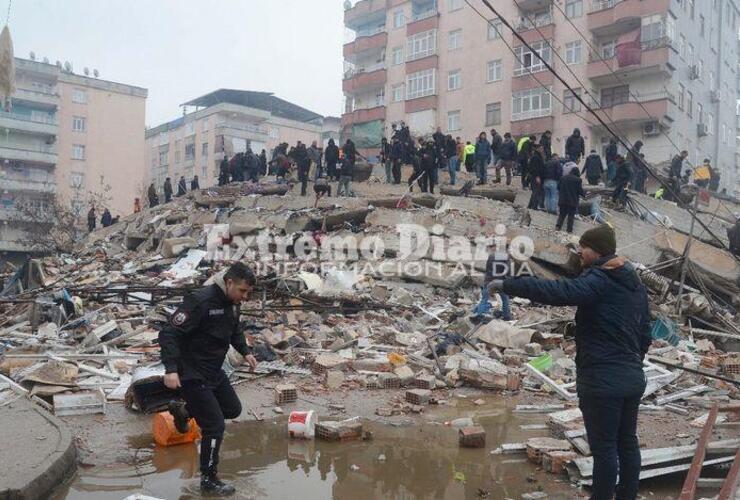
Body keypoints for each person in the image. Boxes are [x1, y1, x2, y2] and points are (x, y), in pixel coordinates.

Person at [489, 224, 650, 500]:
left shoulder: (599, 280)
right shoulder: (635, 286)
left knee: (604, 449)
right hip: (632, 376)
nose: (579, 254)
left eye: (583, 248)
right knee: (627, 443)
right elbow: (645, 333)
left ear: (595, 250)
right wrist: (632, 361)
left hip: (602, 379)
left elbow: (559, 292)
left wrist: (509, 284)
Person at [160, 263, 259, 495]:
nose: (245, 297)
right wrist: (171, 369)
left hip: (214, 370)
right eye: (242, 291)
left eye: (248, 293)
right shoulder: (201, 301)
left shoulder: (233, 305)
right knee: (214, 426)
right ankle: (209, 479)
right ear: (229, 282)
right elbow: (169, 333)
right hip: (192, 372)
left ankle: (184, 410)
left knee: (232, 409)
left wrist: (246, 352)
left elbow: (234, 330)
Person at [482, 243, 511, 321]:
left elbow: (487, 269)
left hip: (489, 280)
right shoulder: (506, 257)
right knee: (505, 299)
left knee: (485, 297)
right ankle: (506, 316)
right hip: (500, 281)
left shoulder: (491, 256)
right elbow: (507, 271)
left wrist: (487, 279)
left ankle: (481, 313)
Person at [557, 165, 584, 233]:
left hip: (562, 200)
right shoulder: (578, 180)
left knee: (562, 215)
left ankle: (558, 226)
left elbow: (558, 187)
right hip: (572, 201)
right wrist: (584, 195)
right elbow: (580, 191)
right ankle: (569, 230)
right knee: (571, 217)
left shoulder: (563, 178)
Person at [526, 144, 545, 210]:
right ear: (538, 149)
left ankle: (530, 205)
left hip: (537, 176)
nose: (542, 150)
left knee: (535, 191)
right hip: (536, 177)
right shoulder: (536, 157)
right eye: (541, 148)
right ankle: (534, 206)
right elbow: (535, 168)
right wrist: (537, 176)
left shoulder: (538, 156)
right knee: (536, 191)